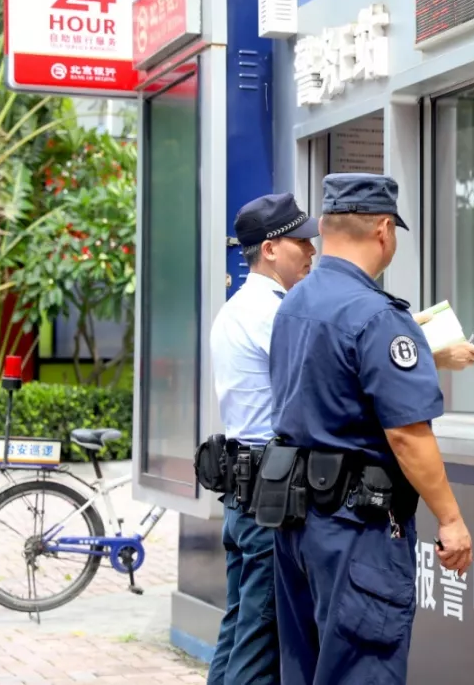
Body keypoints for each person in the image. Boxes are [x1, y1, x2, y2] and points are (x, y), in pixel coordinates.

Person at [265, 173, 474, 685]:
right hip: (357, 531)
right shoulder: (377, 316)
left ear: (325, 227)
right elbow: (407, 435)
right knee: (360, 671)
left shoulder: (293, 303)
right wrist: (451, 519)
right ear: (384, 230)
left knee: (306, 669)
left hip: (295, 521)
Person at [206, 192, 319, 685]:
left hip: (244, 493)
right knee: (260, 639)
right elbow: (322, 379)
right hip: (268, 499)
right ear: (270, 249)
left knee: (238, 628)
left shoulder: (237, 308)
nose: (311, 251)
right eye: (301, 242)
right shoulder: (272, 313)